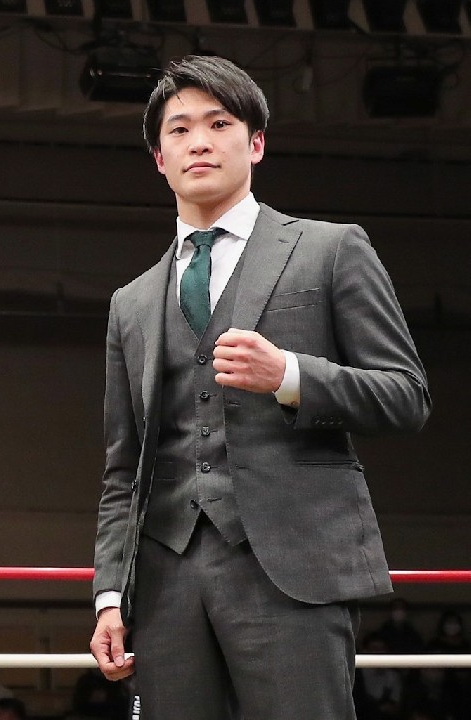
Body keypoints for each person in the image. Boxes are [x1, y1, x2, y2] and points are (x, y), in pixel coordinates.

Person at [89, 54, 431, 720]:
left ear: (257, 143)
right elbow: (123, 467)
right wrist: (109, 593)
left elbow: (405, 395)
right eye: (180, 129)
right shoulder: (131, 303)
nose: (199, 141)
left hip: (294, 569)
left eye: (219, 123)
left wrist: (291, 376)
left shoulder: (331, 249)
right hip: (165, 581)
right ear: (159, 158)